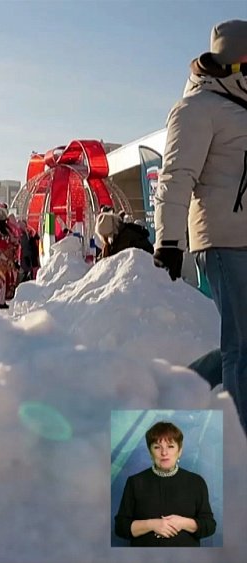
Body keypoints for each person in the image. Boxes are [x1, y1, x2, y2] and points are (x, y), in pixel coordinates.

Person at [152, 19, 247, 437]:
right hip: (223, 240)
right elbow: (175, 177)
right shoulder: (197, 107)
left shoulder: (238, 105)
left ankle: (175, 395)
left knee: (240, 341)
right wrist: (168, 240)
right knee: (242, 347)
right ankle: (241, 438)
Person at [114, 421, 216, 547]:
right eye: (157, 447)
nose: (164, 453)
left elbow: (210, 526)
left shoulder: (196, 482)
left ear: (180, 451)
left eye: (170, 446)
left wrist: (183, 522)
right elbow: (120, 527)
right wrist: (152, 525)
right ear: (150, 452)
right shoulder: (135, 482)